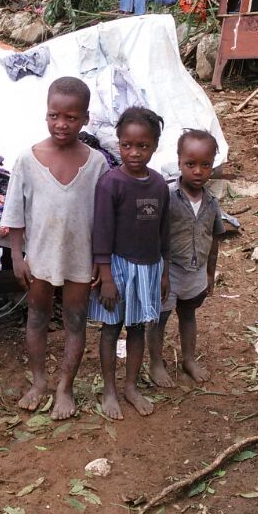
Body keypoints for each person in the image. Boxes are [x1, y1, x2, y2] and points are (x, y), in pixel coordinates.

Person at [1, 76, 109, 420]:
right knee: (37, 317)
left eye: (71, 117)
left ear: (86, 119)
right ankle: (39, 382)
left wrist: (99, 260)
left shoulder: (97, 164)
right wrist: (18, 257)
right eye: (54, 116)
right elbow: (14, 214)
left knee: (76, 321)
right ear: (45, 114)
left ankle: (65, 386)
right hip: (40, 258)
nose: (61, 124)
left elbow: (103, 219)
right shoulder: (28, 160)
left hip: (80, 258)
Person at [90, 107, 170, 420]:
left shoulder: (159, 185)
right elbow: (101, 234)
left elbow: (163, 233)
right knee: (111, 330)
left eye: (143, 146)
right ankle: (110, 388)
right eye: (126, 145)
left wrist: (163, 273)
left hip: (149, 268)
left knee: (138, 329)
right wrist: (106, 276)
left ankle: (131, 386)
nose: (134, 153)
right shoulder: (111, 184)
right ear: (119, 142)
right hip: (118, 269)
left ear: (155, 145)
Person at [148, 129, 224, 386]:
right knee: (160, 318)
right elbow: (156, 238)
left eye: (206, 165)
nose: (198, 171)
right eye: (190, 164)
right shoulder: (167, 197)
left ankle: (189, 358)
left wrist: (210, 272)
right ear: (179, 161)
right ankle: (156, 362)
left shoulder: (212, 202)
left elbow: (215, 238)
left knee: (189, 314)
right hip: (169, 272)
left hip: (197, 270)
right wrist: (161, 273)